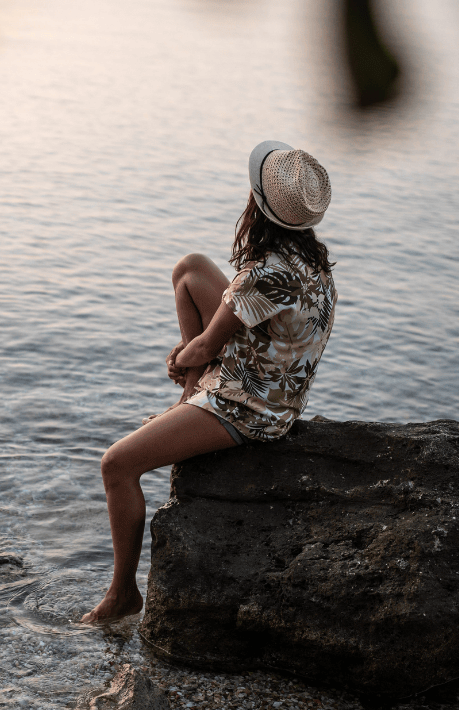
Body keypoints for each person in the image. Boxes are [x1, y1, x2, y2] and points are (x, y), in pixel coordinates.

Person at [81, 140, 337, 625]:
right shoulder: (315, 266)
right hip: (270, 386)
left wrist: (181, 358)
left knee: (117, 465)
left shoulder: (262, 275)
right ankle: (187, 403)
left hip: (249, 409)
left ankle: (121, 596)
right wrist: (194, 364)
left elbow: (203, 348)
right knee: (191, 269)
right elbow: (231, 329)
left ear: (256, 204)